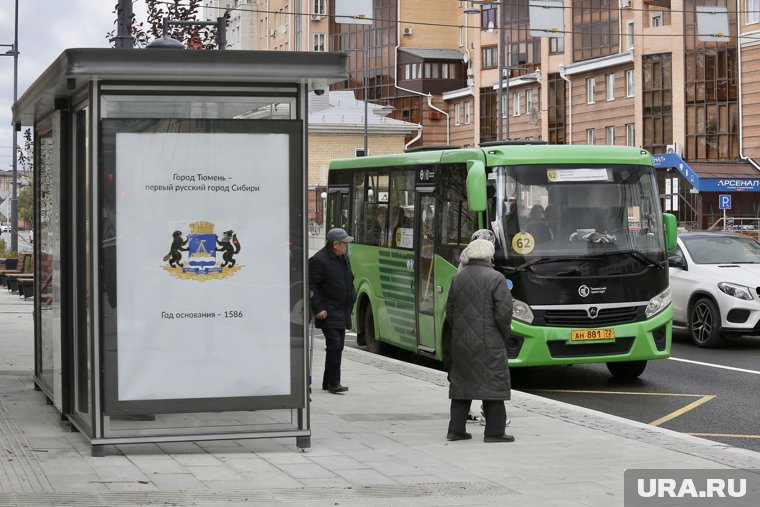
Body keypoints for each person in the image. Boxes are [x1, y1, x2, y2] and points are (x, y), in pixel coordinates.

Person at [444, 237, 515, 443]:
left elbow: (450, 311)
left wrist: (459, 332)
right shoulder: (496, 278)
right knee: (493, 384)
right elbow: (504, 313)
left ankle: (455, 430)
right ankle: (494, 432)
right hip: (489, 341)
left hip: (461, 341)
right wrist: (503, 334)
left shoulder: (458, 277)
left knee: (462, 385)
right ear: (488, 256)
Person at [309, 228, 357, 394]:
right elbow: (311, 287)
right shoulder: (318, 260)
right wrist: (318, 308)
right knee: (335, 345)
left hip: (341, 308)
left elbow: (345, 278)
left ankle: (327, 381)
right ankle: (334, 382)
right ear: (336, 244)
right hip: (328, 309)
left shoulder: (343, 257)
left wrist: (352, 291)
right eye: (345, 243)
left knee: (338, 346)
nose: (347, 246)